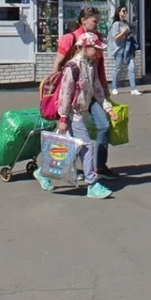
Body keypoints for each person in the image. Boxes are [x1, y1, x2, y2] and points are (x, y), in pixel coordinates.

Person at [34, 32, 114, 199]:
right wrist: (63, 119)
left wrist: (107, 107)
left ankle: (43, 172)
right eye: (96, 49)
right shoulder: (72, 67)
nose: (99, 53)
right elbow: (66, 94)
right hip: (72, 114)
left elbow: (97, 87)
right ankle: (92, 183)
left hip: (81, 112)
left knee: (68, 150)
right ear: (84, 47)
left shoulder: (90, 65)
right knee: (86, 146)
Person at [52, 7, 115, 178]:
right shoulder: (70, 39)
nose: (97, 24)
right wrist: (53, 93)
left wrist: (105, 92)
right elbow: (58, 66)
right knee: (79, 138)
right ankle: (82, 175)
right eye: (94, 21)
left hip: (92, 91)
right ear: (83, 20)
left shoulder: (96, 40)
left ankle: (99, 166)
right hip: (71, 96)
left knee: (103, 126)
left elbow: (97, 69)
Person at [108, 6, 139, 96]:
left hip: (128, 48)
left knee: (132, 68)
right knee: (117, 68)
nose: (125, 13)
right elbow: (116, 38)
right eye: (123, 11)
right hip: (119, 49)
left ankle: (133, 88)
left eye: (126, 11)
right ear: (119, 12)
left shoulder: (125, 23)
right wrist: (124, 32)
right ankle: (114, 87)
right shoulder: (116, 24)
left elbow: (128, 34)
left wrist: (128, 35)